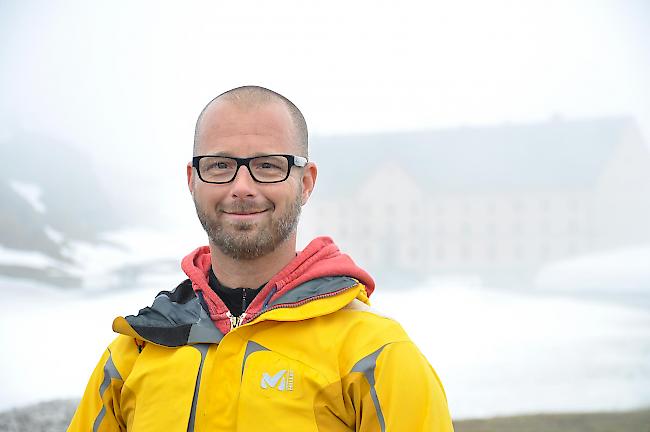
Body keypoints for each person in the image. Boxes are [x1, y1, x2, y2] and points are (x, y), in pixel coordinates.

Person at [68, 86, 454, 431]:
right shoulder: (133, 353)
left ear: (305, 183)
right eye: (220, 165)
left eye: (267, 165)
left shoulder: (376, 356)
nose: (242, 187)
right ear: (192, 180)